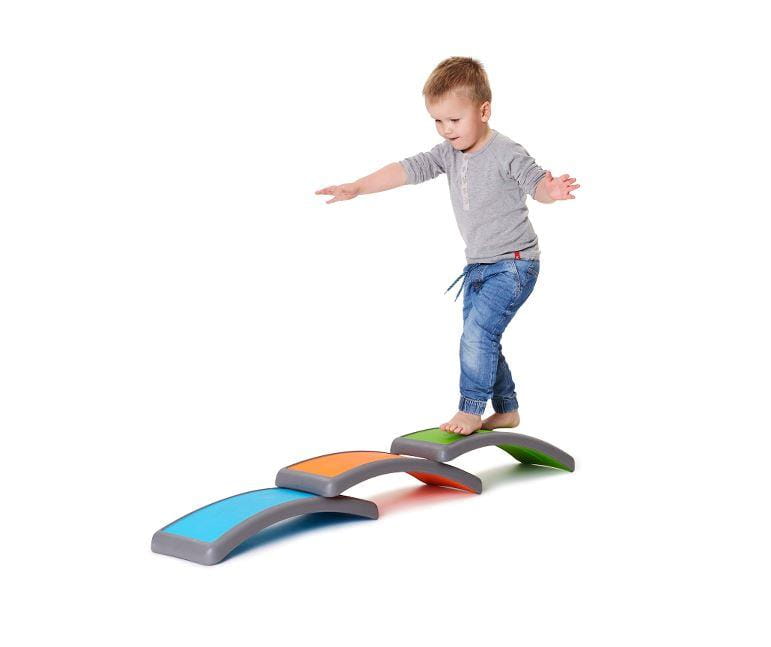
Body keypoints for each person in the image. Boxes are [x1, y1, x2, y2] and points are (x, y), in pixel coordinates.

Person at [315, 56, 580, 435]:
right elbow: (407, 169)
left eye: (454, 120)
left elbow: (536, 182)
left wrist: (550, 191)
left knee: (477, 335)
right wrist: (358, 186)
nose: (445, 130)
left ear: (483, 111)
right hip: (477, 266)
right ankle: (506, 409)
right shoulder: (448, 154)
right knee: (482, 336)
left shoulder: (506, 151)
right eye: (437, 121)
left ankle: (470, 409)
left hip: (515, 264)